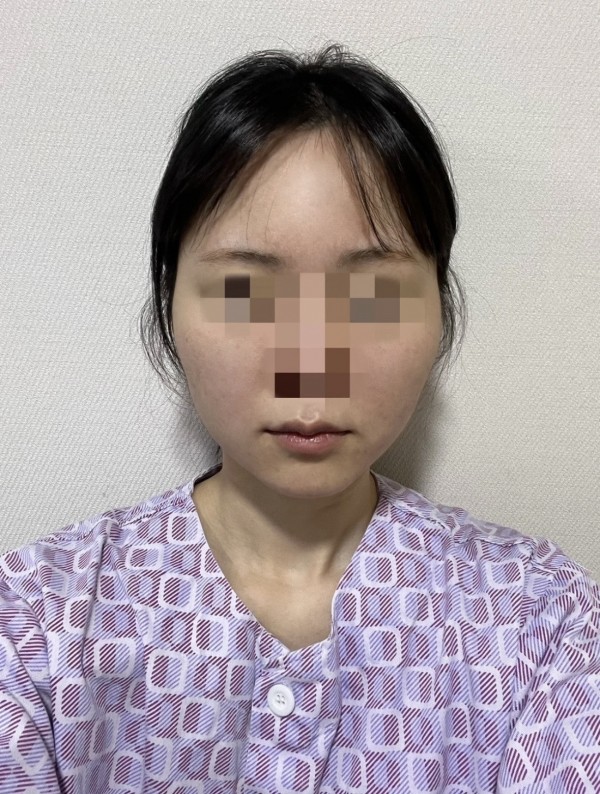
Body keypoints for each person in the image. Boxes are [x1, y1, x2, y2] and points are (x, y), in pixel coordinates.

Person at [0, 43, 598, 794]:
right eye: (245, 293)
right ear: (169, 308)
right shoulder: (37, 623)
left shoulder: (543, 624)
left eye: (373, 296)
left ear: (441, 313)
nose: (311, 363)